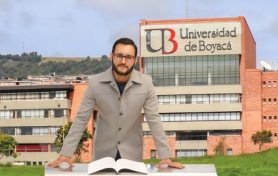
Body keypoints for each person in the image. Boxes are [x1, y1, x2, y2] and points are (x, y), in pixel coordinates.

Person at [48, 38, 184, 169]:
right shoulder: (95, 83)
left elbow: (154, 119)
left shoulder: (146, 83)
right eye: (119, 56)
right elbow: (81, 119)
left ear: (135, 60)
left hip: (132, 155)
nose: (123, 61)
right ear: (111, 56)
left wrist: (165, 155)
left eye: (129, 57)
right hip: (102, 155)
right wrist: (66, 153)